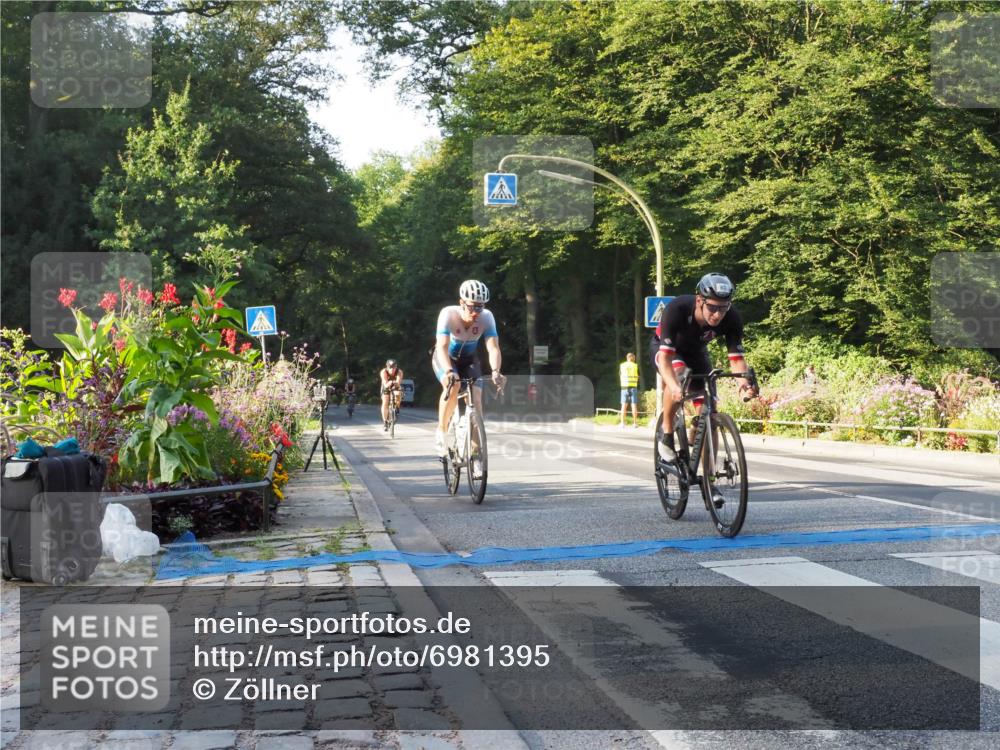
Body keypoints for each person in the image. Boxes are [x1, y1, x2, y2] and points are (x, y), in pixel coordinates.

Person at [654, 273, 758, 500]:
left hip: (697, 354)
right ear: (699, 300)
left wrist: (744, 383)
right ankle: (668, 433)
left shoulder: (732, 317)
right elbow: (665, 360)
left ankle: (710, 482)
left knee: (709, 413)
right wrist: (674, 386)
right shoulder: (677, 309)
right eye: (712, 308)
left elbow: (736, 359)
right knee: (679, 377)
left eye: (723, 308)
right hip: (668, 352)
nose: (718, 314)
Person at [432, 280, 506, 472]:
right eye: (473, 306)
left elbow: (493, 347)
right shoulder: (448, 314)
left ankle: (475, 454)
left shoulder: (487, 317)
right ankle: (441, 432)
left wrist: (496, 371)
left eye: (481, 307)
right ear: (462, 303)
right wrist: (449, 372)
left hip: (469, 360)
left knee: (477, 400)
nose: (476, 312)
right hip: (446, 358)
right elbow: (441, 347)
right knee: (454, 385)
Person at [379, 359, 403, 430]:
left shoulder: (399, 372)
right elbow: (385, 384)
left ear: (396, 367)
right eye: (390, 367)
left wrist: (395, 383)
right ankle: (385, 422)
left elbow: (398, 383)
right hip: (386, 385)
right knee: (385, 401)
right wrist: (390, 382)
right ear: (387, 367)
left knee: (398, 393)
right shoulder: (383, 372)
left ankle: (397, 408)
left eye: (394, 367)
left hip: (395, 385)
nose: (392, 369)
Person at [619, 352, 640, 428]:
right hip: (633, 387)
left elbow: (620, 375)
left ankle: (622, 423)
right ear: (632, 358)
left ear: (627, 358)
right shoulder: (635, 366)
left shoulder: (622, 365)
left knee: (623, 405)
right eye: (634, 358)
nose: (635, 359)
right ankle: (634, 423)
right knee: (634, 405)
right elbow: (638, 376)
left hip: (624, 387)